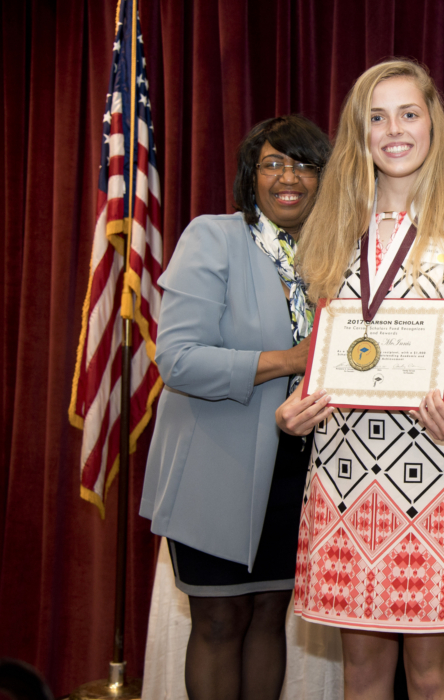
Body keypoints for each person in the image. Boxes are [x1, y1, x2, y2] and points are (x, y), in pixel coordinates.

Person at [276, 60, 444, 700]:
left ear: (432, 125)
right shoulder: (333, 225)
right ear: (358, 133)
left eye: (409, 114)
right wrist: (292, 408)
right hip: (344, 476)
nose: (394, 130)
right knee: (361, 675)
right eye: (377, 117)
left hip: (438, 473)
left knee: (432, 677)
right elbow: (325, 351)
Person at [139, 115, 331, 700]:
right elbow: (178, 360)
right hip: (214, 467)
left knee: (270, 616)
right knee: (220, 621)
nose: (288, 178)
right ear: (251, 177)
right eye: (273, 164)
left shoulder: (332, 255)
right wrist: (288, 359)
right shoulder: (214, 237)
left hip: (297, 471)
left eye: (304, 165)